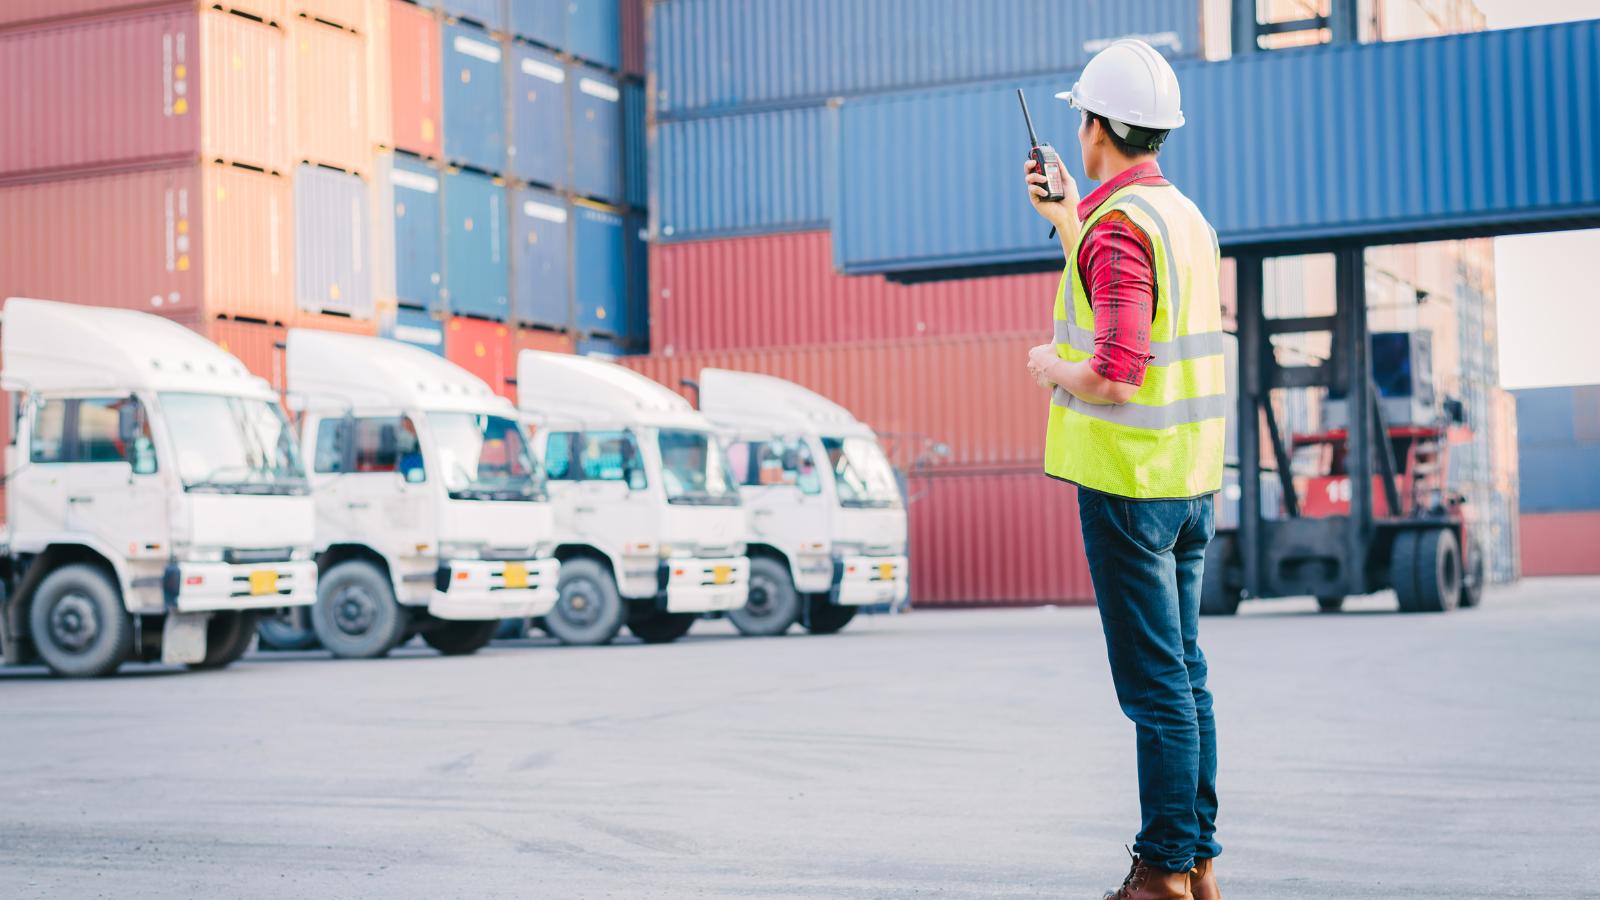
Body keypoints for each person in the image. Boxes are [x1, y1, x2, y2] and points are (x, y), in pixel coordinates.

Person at [1021, 39, 1227, 900]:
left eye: (1080, 115)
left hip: (1129, 486)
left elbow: (1114, 369)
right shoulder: (1178, 217)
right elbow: (1125, 286)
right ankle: (1200, 861)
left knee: (1155, 693)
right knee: (1186, 678)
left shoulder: (1119, 231)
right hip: (1186, 482)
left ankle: (1163, 874)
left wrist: (1051, 366)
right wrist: (1068, 214)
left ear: (1098, 124)